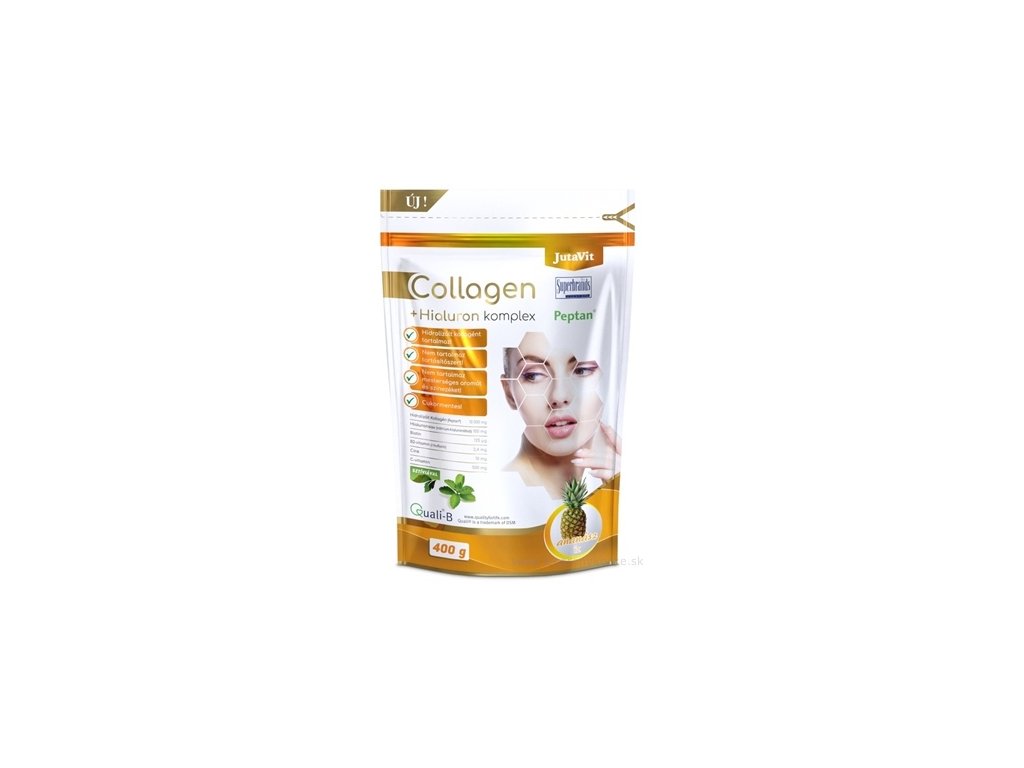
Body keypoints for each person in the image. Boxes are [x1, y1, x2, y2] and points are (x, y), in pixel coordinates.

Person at [501, 332, 621, 499]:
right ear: (509, 393)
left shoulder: (616, 480)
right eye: (533, 375)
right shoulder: (493, 495)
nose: (559, 396)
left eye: (582, 370)